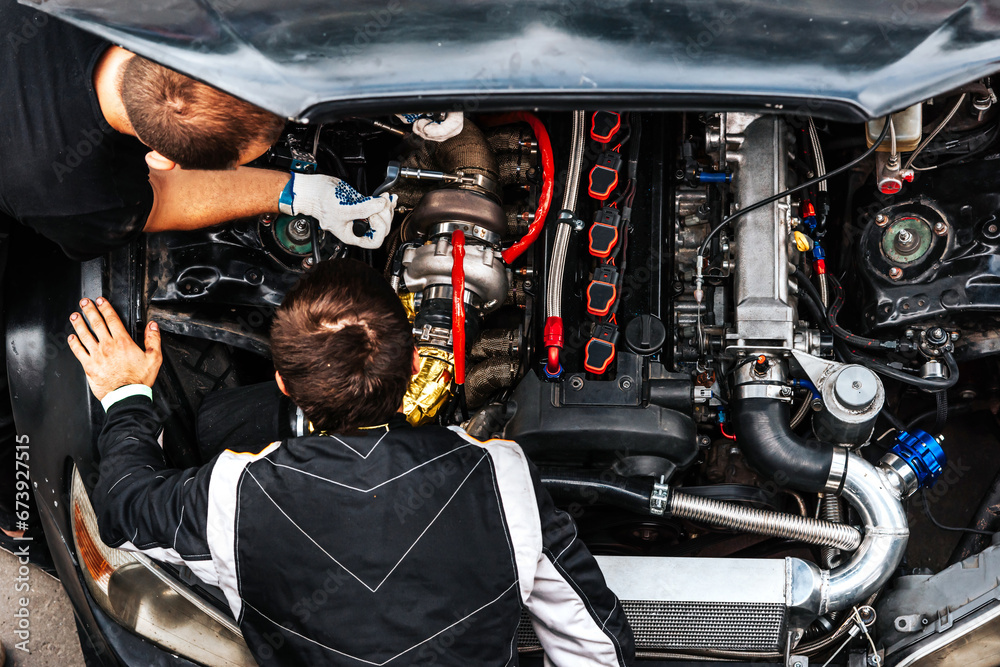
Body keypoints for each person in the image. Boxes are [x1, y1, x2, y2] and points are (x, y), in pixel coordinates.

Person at [0, 0, 464, 540]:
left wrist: (389, 87)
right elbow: (160, 204)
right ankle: (15, 509)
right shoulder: (73, 198)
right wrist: (294, 190)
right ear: (160, 158)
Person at [66, 259, 635, 666]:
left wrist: (125, 395)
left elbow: (122, 507)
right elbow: (591, 641)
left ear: (283, 384)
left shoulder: (233, 496)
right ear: (416, 364)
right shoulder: (502, 478)